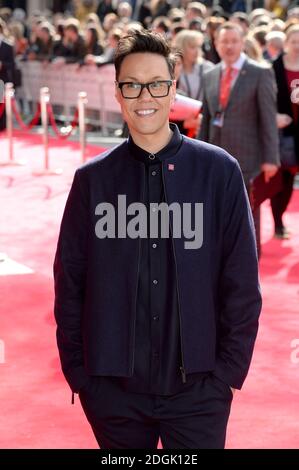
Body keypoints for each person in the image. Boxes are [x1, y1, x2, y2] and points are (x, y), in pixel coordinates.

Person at [54, 29, 262, 449]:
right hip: (112, 390)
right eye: (131, 84)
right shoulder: (92, 181)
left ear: (174, 90)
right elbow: (69, 281)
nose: (143, 95)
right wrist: (81, 374)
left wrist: (225, 374)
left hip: (200, 390)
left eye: (156, 84)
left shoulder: (218, 172)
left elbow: (242, 281)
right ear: (117, 92)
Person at [199, 21, 280, 258]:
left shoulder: (260, 72)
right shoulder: (211, 74)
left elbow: (268, 118)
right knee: (216, 209)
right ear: (216, 44)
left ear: (243, 43)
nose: (229, 46)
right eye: (224, 41)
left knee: (247, 212)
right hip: (215, 155)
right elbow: (206, 118)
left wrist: (271, 158)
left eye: (234, 41)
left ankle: (250, 258)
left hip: (248, 157)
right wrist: (199, 153)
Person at [271, 25, 299, 239]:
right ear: (286, 42)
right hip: (283, 132)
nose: (297, 45)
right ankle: (278, 222)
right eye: (294, 41)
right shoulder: (274, 68)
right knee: (283, 178)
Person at [0, 19, 15, 131]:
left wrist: (2, 64)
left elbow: (12, 64)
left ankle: (2, 125)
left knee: (2, 102)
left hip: (2, 78)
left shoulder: (7, 45)